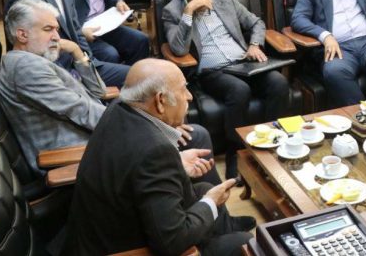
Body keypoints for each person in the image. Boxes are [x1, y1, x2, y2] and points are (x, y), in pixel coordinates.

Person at [0, 0, 219, 184]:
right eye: (48, 29)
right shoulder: (26, 68)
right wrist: (153, 126)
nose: (57, 36)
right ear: (22, 35)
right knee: (195, 136)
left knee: (188, 132)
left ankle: (201, 207)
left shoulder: (34, 60)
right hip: (78, 154)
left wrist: (77, 52)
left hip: (94, 136)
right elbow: (81, 110)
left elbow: (99, 91)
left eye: (56, 29)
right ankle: (208, 212)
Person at [63, 59, 254, 256]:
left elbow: (133, 168)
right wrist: (211, 202)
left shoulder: (118, 107)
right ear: (160, 101)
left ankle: (222, 232)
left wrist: (176, 163)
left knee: (204, 189)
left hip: (98, 231)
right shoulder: (154, 152)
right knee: (244, 243)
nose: (189, 96)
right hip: (123, 248)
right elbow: (172, 242)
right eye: (183, 89)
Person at [162, 0, 289, 176]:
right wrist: (188, 12)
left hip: (243, 63)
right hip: (212, 71)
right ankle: (235, 156)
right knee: (239, 90)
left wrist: (254, 44)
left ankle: (272, 145)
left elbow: (256, 22)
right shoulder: (172, 11)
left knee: (279, 82)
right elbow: (179, 49)